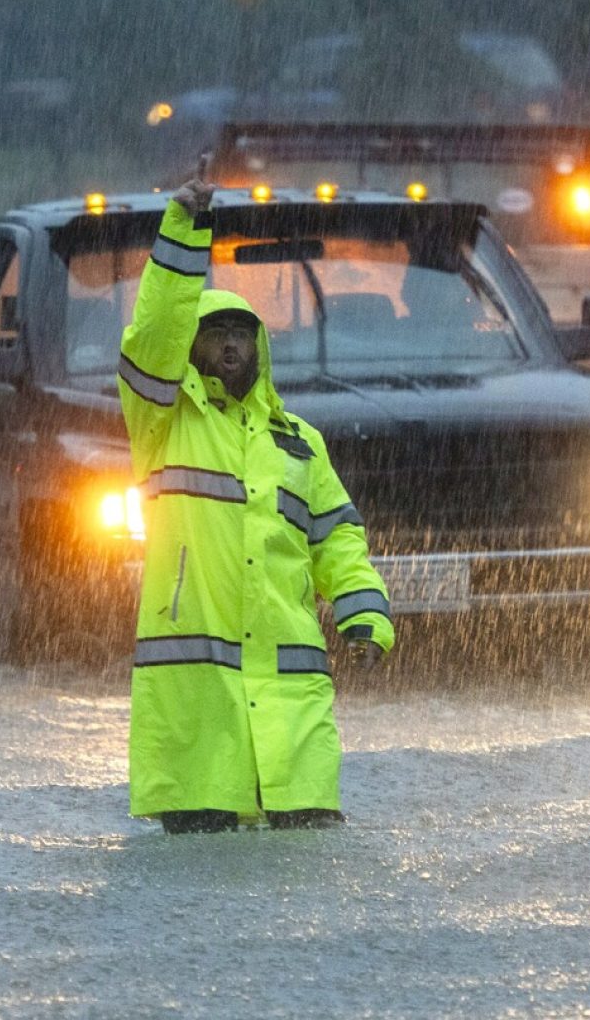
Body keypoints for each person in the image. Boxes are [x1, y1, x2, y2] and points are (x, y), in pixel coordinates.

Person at [117, 174, 395, 834]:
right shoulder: (164, 424)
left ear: (262, 347)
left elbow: (337, 537)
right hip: (197, 721)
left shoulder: (299, 444)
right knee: (199, 898)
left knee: (308, 892)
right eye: (215, 332)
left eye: (243, 330)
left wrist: (364, 611)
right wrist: (184, 227)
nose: (231, 342)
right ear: (190, 347)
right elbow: (153, 329)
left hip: (291, 715)